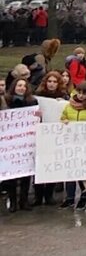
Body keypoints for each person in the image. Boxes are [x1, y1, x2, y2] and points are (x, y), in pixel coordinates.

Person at [60, 80, 86, 210]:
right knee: (70, 172)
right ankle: (70, 198)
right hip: (71, 143)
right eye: (79, 92)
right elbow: (62, 118)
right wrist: (64, 121)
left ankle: (84, 197)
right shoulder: (69, 106)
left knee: (83, 172)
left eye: (85, 94)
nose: (81, 96)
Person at [2, 78, 37, 211]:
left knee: (26, 173)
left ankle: (24, 200)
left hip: (26, 142)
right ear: (14, 86)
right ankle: (13, 200)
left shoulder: (32, 101)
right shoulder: (6, 100)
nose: (21, 88)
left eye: (24, 86)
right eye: (19, 85)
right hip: (10, 143)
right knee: (11, 173)